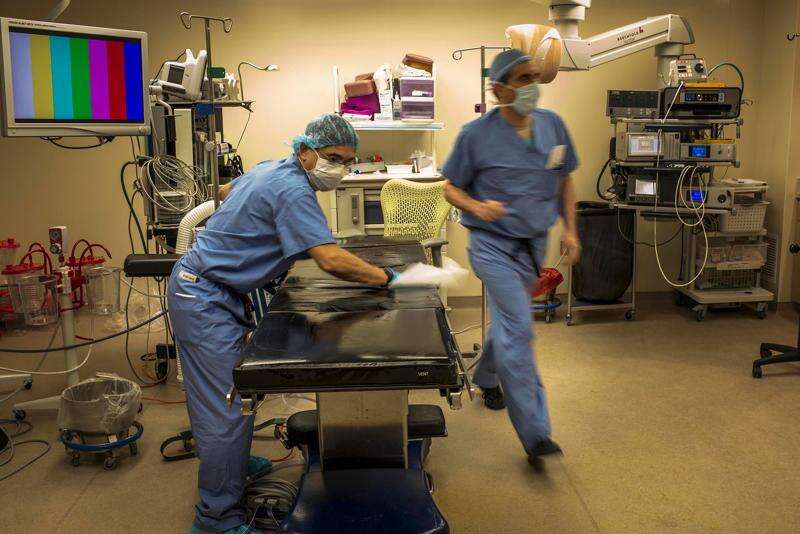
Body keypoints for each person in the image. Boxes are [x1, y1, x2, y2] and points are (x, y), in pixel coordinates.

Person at [168, 114, 398, 534]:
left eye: (348, 161)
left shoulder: (271, 168)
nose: (340, 169)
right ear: (305, 150)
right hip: (203, 296)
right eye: (333, 158)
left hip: (213, 289)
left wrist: (253, 232)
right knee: (227, 406)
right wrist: (385, 278)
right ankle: (216, 519)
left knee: (223, 397)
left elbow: (224, 192)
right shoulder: (292, 189)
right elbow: (329, 259)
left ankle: (232, 466)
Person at [442, 48, 580, 465]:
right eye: (522, 79)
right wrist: (477, 206)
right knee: (519, 327)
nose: (532, 86)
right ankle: (536, 433)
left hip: (533, 245)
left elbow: (564, 180)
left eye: (534, 77)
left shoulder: (553, 124)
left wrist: (570, 229)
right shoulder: (475, 135)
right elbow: (450, 187)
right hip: (492, 246)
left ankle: (486, 376)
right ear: (499, 89)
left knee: (507, 321)